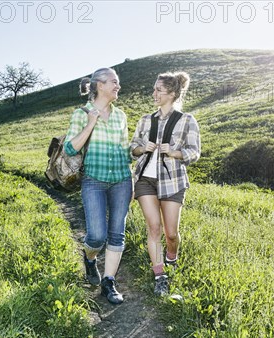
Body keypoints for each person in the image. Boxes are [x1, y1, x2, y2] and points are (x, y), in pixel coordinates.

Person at [64, 67, 133, 305]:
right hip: (94, 180)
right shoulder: (82, 113)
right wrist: (90, 123)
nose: (118, 86)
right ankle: (90, 258)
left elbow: (125, 150)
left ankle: (109, 282)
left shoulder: (121, 115)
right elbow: (70, 148)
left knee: (117, 233)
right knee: (96, 235)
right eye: (114, 82)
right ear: (100, 85)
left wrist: (138, 149)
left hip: (122, 181)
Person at [130, 71, 201, 296]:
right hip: (145, 181)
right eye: (154, 89)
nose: (154, 93)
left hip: (173, 181)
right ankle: (160, 276)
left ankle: (172, 258)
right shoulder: (145, 120)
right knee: (154, 228)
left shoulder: (187, 120)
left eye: (158, 90)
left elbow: (194, 153)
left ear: (171, 93)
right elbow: (132, 149)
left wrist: (174, 152)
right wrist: (143, 148)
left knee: (171, 233)